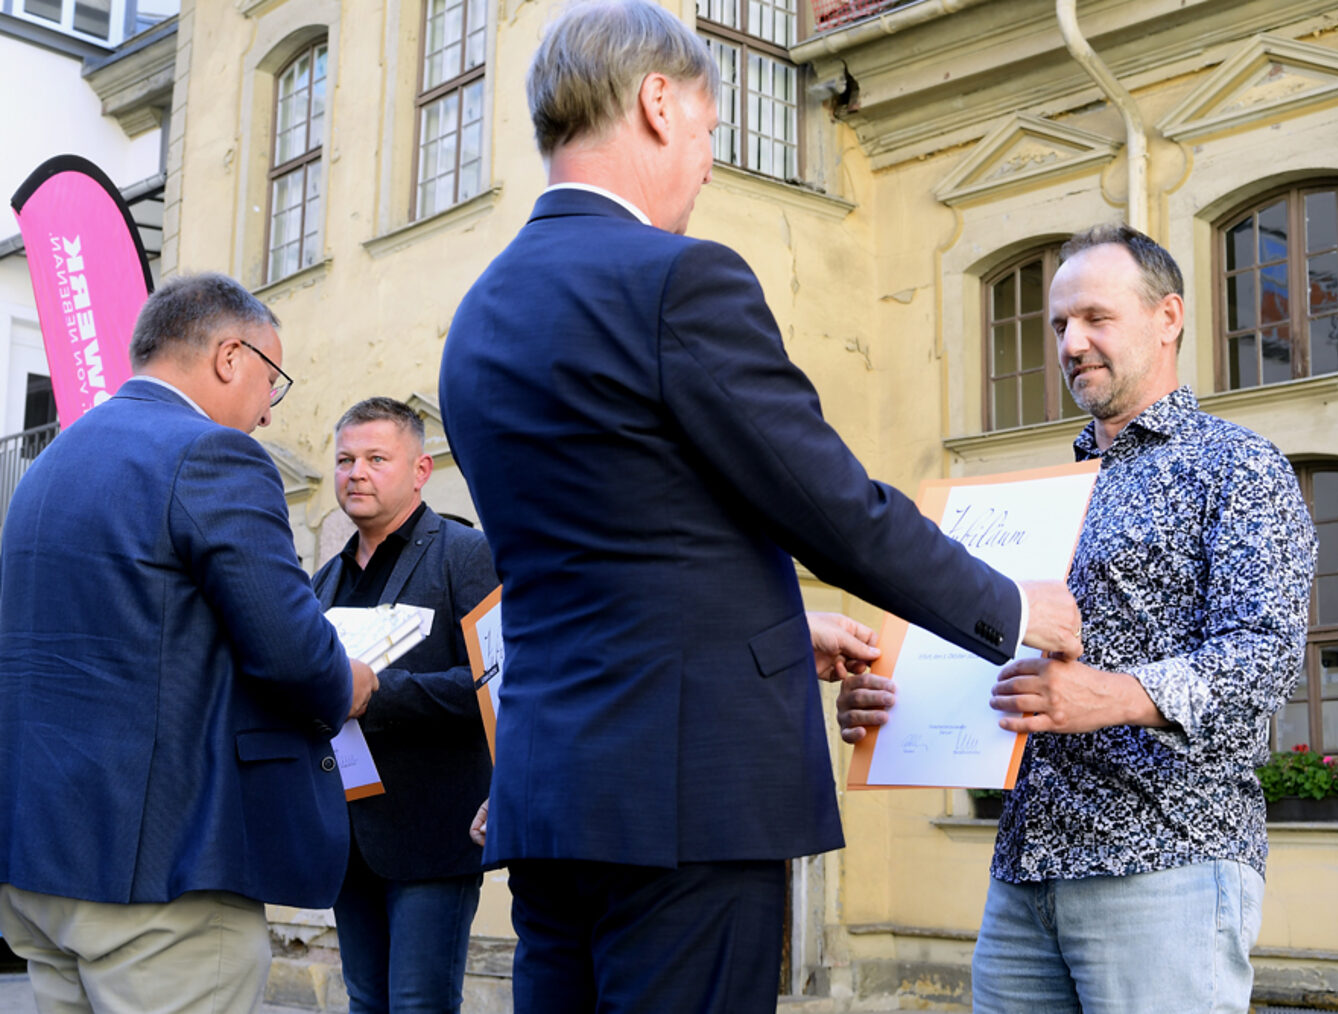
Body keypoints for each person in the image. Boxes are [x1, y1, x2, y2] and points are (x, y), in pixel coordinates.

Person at [436, 2, 1084, 1010]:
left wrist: (779, 622)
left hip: (555, 791)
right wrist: (1007, 608)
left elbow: (611, 541)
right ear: (656, 103)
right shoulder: (674, 278)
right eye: (706, 129)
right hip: (686, 798)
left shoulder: (478, 312)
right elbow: (825, 502)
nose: (704, 161)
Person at [838, 224, 1317, 1014]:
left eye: (1096, 317)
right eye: (1059, 324)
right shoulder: (1039, 495)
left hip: (1166, 864)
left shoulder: (1238, 465)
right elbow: (977, 658)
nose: (1071, 341)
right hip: (1027, 870)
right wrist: (892, 701)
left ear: (1168, 317)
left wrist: (1115, 695)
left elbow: (1265, 658)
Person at [0, 272, 377, 1014]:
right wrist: (349, 681)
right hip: (162, 875)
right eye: (274, 381)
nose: (269, 414)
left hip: (41, 857)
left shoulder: (46, 468)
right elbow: (293, 652)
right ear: (230, 357)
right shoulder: (211, 455)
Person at [310, 397, 497, 1014]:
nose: (355, 473)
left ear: (420, 471)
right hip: (349, 834)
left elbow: (498, 683)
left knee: (419, 1003)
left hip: (435, 831)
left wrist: (380, 693)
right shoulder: (325, 580)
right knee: (365, 1000)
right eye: (344, 460)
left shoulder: (465, 555)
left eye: (375, 458)